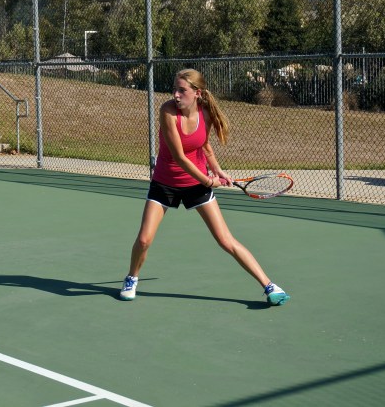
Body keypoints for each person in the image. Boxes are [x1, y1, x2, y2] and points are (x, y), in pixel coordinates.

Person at [120, 69, 289, 305]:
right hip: (165, 183)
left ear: (197, 93)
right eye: (175, 89)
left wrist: (218, 171)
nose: (175, 95)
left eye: (182, 90)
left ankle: (269, 286)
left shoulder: (205, 114)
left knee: (225, 240)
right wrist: (209, 180)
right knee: (144, 240)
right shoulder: (167, 111)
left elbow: (205, 146)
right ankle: (131, 278)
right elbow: (179, 157)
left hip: (196, 184)